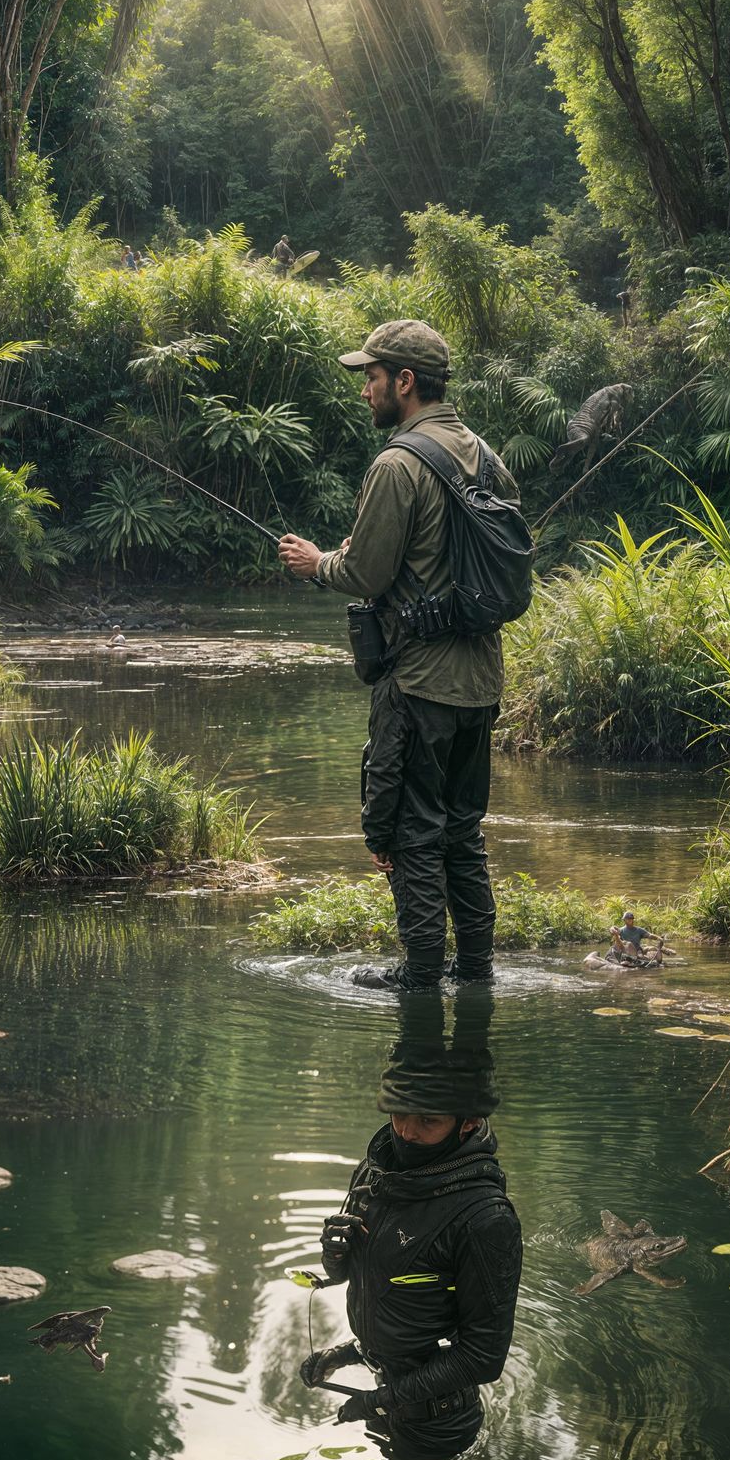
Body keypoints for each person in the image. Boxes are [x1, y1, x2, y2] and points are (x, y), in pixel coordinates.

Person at [277, 321, 520, 992]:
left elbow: (368, 572)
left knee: (415, 834)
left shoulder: (397, 464)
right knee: (463, 834)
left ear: (404, 382)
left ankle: (418, 976)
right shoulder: (488, 458)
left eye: (372, 377)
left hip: (419, 683)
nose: (365, 391)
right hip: (482, 680)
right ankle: (475, 972)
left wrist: (316, 563)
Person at [299, 989, 520, 1460]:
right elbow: (397, 1293)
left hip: (436, 1422)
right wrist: (336, 1269)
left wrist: (379, 1401)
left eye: (428, 1121)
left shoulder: (485, 1218)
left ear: (469, 1123)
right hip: (389, 1386)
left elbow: (482, 1357)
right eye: (398, 1114)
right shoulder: (378, 1172)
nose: (406, 1132)